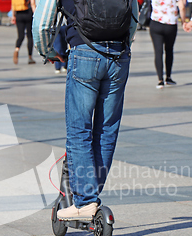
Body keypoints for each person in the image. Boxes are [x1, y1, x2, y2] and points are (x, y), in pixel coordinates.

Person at [33, 0, 138, 219]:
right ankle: (90, 196)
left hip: (84, 52)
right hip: (119, 55)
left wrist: (48, 51)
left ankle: (86, 200)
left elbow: (42, 23)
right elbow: (134, 14)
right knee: (107, 129)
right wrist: (124, 43)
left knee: (79, 130)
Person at [149, 0, 186, 88]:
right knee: (169, 50)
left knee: (158, 52)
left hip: (156, 22)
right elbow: (182, 7)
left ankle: (160, 80)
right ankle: (168, 77)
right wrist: (183, 21)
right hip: (171, 24)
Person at [11, 0, 36, 64]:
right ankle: (30, 57)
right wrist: (36, 16)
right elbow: (32, 3)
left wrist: (13, 16)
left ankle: (17, 49)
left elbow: (13, 5)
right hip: (28, 14)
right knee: (30, 36)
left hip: (18, 15)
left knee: (20, 36)